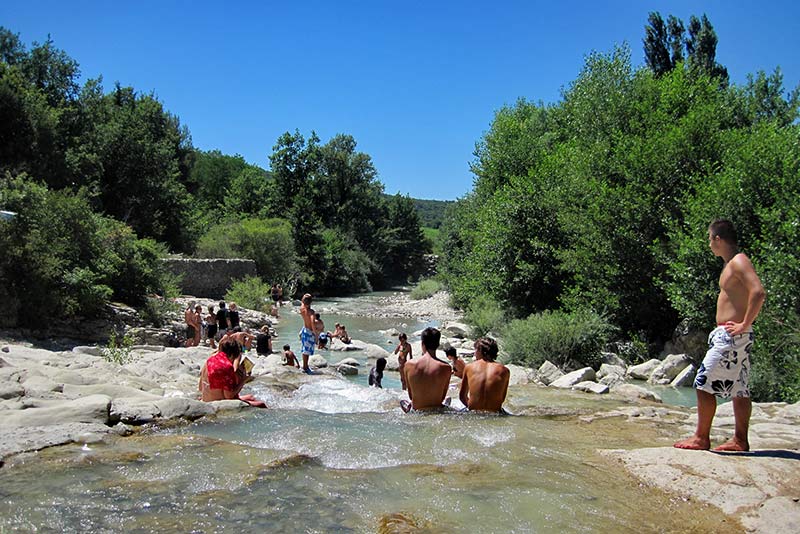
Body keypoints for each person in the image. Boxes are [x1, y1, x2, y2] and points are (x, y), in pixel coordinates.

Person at [674, 219, 766, 452]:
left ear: (717, 239)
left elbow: (758, 292)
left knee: (702, 381)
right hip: (733, 336)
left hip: (732, 336)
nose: (708, 243)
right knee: (740, 388)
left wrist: (745, 323)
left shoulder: (739, 261)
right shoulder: (731, 263)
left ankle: (701, 438)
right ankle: (740, 440)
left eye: (709, 238)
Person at [198, 339, 266, 408]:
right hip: (217, 403)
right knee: (261, 404)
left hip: (206, 400)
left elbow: (200, 387)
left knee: (251, 397)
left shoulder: (210, 359)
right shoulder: (226, 366)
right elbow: (229, 396)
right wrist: (243, 380)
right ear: (233, 354)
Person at [401, 327, 452, 412]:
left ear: (422, 344)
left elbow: (411, 395)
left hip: (418, 410)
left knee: (402, 402)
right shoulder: (446, 367)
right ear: (438, 344)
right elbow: (443, 396)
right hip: (438, 410)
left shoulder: (409, 365)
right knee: (447, 399)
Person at [459, 337, 510, 413]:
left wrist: (470, 408)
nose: (474, 353)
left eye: (475, 350)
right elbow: (501, 398)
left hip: (473, 412)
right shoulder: (504, 370)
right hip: (495, 413)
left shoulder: (469, 367)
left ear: (480, 350)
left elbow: (462, 396)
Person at [299, 293, 316, 373]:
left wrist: (305, 296)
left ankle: (305, 366)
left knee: (304, 349)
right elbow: (312, 322)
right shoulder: (311, 312)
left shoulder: (302, 309)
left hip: (304, 330)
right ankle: (305, 367)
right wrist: (315, 333)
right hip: (309, 331)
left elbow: (302, 302)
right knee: (307, 350)